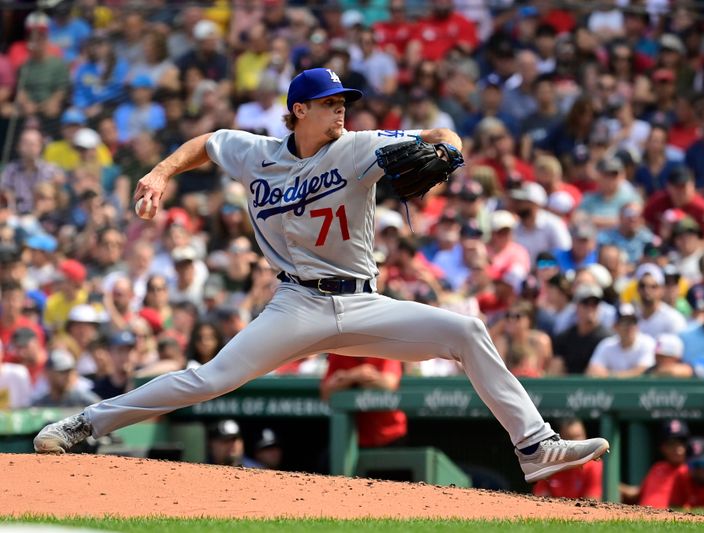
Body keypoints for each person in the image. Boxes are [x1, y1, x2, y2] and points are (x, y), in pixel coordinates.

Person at [34, 68, 609, 483]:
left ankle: (535, 447)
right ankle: (82, 424)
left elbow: (439, 135)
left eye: (343, 102)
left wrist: (452, 153)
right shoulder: (256, 152)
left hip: (361, 303)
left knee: (466, 332)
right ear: (298, 111)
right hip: (295, 307)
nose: (341, 110)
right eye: (330, 102)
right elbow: (206, 144)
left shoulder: (359, 147)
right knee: (209, 379)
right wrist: (160, 172)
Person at [620, 419, 690, 507]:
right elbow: (636, 493)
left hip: (668, 517)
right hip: (641, 516)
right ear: (663, 447)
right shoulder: (658, 467)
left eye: (681, 443)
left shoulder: (690, 471)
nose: (677, 449)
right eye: (671, 444)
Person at [533, 419, 603, 499]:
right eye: (570, 438)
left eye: (578, 436)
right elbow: (540, 501)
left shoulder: (594, 465)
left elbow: (591, 504)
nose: (576, 443)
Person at [586, 304, 656, 378]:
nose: (629, 327)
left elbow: (642, 371)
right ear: (615, 326)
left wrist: (609, 375)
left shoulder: (648, 343)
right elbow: (592, 371)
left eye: (633, 322)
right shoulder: (607, 345)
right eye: (625, 323)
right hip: (611, 389)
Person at [32, 350, 102, 408]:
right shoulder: (39, 405)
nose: (68, 376)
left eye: (70, 371)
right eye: (62, 372)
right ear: (48, 373)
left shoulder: (87, 402)